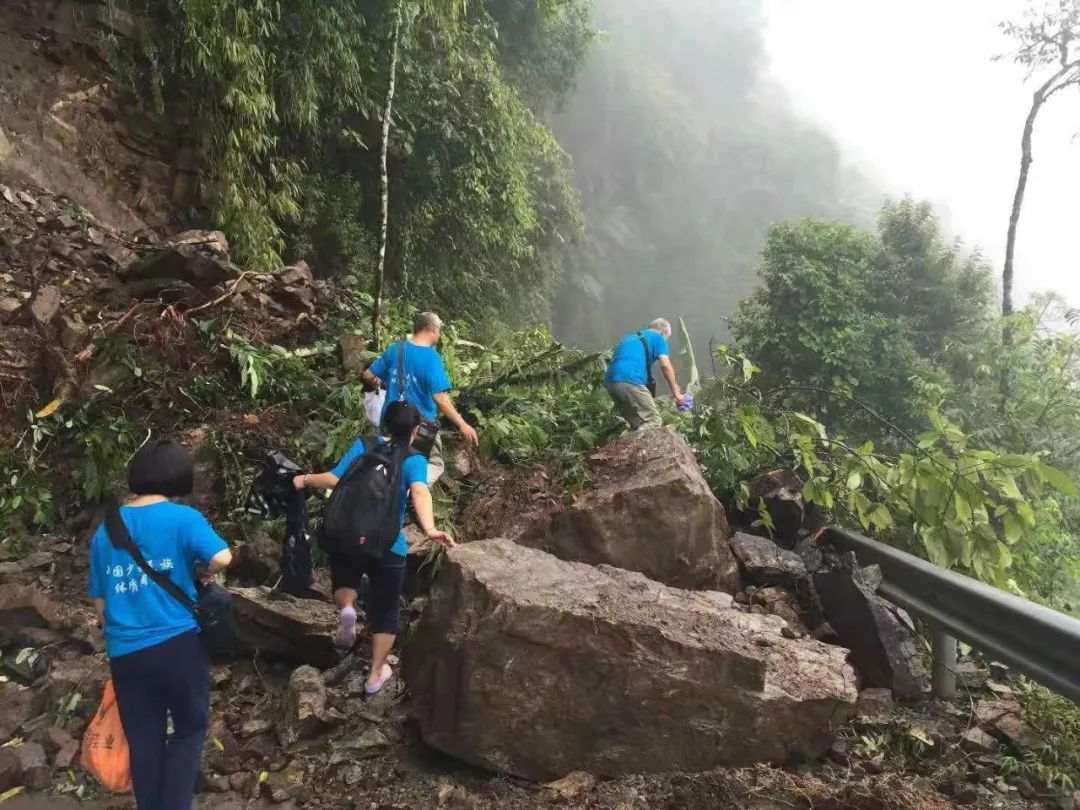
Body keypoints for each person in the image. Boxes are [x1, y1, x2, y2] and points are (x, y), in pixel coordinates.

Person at [88, 441, 233, 810]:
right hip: (177, 644)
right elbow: (222, 556)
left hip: (125, 653)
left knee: (144, 740)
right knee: (188, 730)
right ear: (179, 477)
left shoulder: (107, 531)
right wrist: (200, 572)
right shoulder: (182, 518)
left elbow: (101, 606)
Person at [293, 401, 454, 694]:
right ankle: (375, 675)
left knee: (345, 580)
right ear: (416, 431)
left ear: (385, 425)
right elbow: (419, 491)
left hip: (348, 536)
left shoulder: (364, 445)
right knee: (386, 609)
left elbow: (334, 478)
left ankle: (348, 607)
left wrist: (303, 479)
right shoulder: (414, 459)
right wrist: (430, 529)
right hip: (388, 545)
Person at [361, 311, 478, 484]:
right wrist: (462, 424)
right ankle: (410, 490)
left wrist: (380, 384)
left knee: (392, 461)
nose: (439, 335)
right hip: (419, 426)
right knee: (433, 465)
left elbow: (367, 375)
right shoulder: (431, 358)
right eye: (439, 331)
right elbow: (440, 398)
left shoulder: (396, 350)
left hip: (390, 421)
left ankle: (387, 489)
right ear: (432, 329)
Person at [605, 317, 687, 431]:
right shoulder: (658, 338)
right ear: (663, 331)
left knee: (637, 425)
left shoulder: (629, 338)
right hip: (630, 380)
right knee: (653, 421)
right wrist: (677, 393)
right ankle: (641, 448)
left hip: (611, 384)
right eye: (666, 338)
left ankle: (632, 447)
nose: (665, 341)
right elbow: (666, 366)